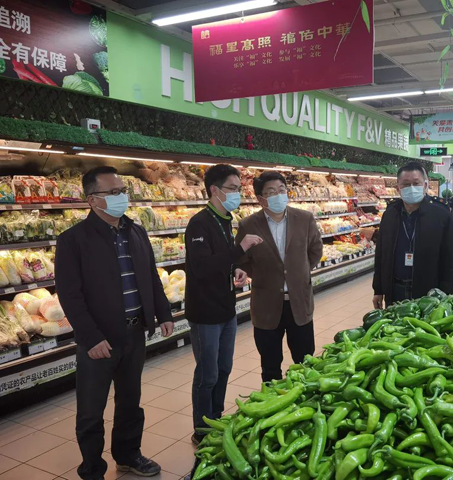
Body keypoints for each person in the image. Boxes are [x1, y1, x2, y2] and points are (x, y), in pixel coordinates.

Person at [56, 166, 174, 480]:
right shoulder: (73, 240)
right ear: (92, 200)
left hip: (134, 332)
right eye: (113, 192)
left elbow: (150, 277)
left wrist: (163, 313)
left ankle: (128, 455)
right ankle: (92, 468)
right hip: (99, 338)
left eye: (122, 191)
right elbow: (70, 295)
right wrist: (90, 337)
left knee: (130, 401)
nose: (121, 196)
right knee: (91, 411)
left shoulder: (136, 232)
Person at [185, 165, 263, 444]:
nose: (237, 194)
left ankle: (216, 417)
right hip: (205, 311)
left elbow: (220, 261)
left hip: (226, 307)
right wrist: (240, 249)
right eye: (232, 188)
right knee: (207, 374)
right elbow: (201, 267)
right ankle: (202, 428)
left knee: (224, 368)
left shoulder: (225, 219)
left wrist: (235, 269)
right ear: (214, 190)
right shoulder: (199, 223)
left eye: (239, 189)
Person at [235, 171, 323, 382]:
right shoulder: (248, 225)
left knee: (305, 363)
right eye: (271, 192)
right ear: (260, 198)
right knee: (270, 366)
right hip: (266, 305)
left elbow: (315, 250)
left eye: (281, 190)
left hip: (299, 302)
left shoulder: (304, 219)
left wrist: (298, 272)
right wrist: (265, 276)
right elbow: (242, 259)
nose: (278, 195)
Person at [372, 162, 453, 309]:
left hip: (429, 292)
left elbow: (450, 258)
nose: (411, 188)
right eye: (406, 184)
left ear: (425, 185)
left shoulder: (441, 214)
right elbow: (381, 254)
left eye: (416, 183)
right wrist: (378, 289)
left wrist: (446, 293)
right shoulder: (390, 214)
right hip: (395, 290)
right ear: (398, 188)